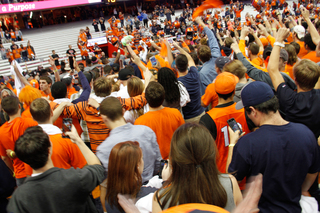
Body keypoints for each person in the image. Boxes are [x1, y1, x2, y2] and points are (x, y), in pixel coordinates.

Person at [228, 81, 320, 212]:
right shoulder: (306, 133)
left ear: (253, 111)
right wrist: (301, 190)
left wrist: (232, 143)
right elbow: (313, 171)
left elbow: (231, 178)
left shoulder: (248, 143)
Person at [6, 125, 105, 213]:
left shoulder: (19, 197)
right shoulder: (75, 178)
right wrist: (78, 140)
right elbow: (98, 169)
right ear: (49, 151)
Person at [153, 123, 242, 213]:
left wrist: (166, 182)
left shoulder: (160, 198)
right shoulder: (230, 183)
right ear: (211, 152)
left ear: (175, 159)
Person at [96, 96, 161, 183]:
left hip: (124, 193)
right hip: (151, 187)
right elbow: (158, 163)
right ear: (123, 111)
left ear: (104, 118)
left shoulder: (103, 149)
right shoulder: (147, 131)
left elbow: (107, 179)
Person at [200, 72, 251, 173]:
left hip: (220, 174)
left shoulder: (207, 119)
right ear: (233, 92)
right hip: (245, 169)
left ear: (215, 91)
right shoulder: (246, 111)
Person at [134, 82, 185, 159]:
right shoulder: (176, 113)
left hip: (154, 162)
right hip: (175, 158)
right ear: (163, 97)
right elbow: (183, 135)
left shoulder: (139, 122)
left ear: (146, 99)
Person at [0, 96, 38, 186]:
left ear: (4, 111)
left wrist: (14, 171)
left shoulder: (1, 131)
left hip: (19, 173)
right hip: (36, 169)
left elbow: (5, 158)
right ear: (19, 106)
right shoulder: (30, 122)